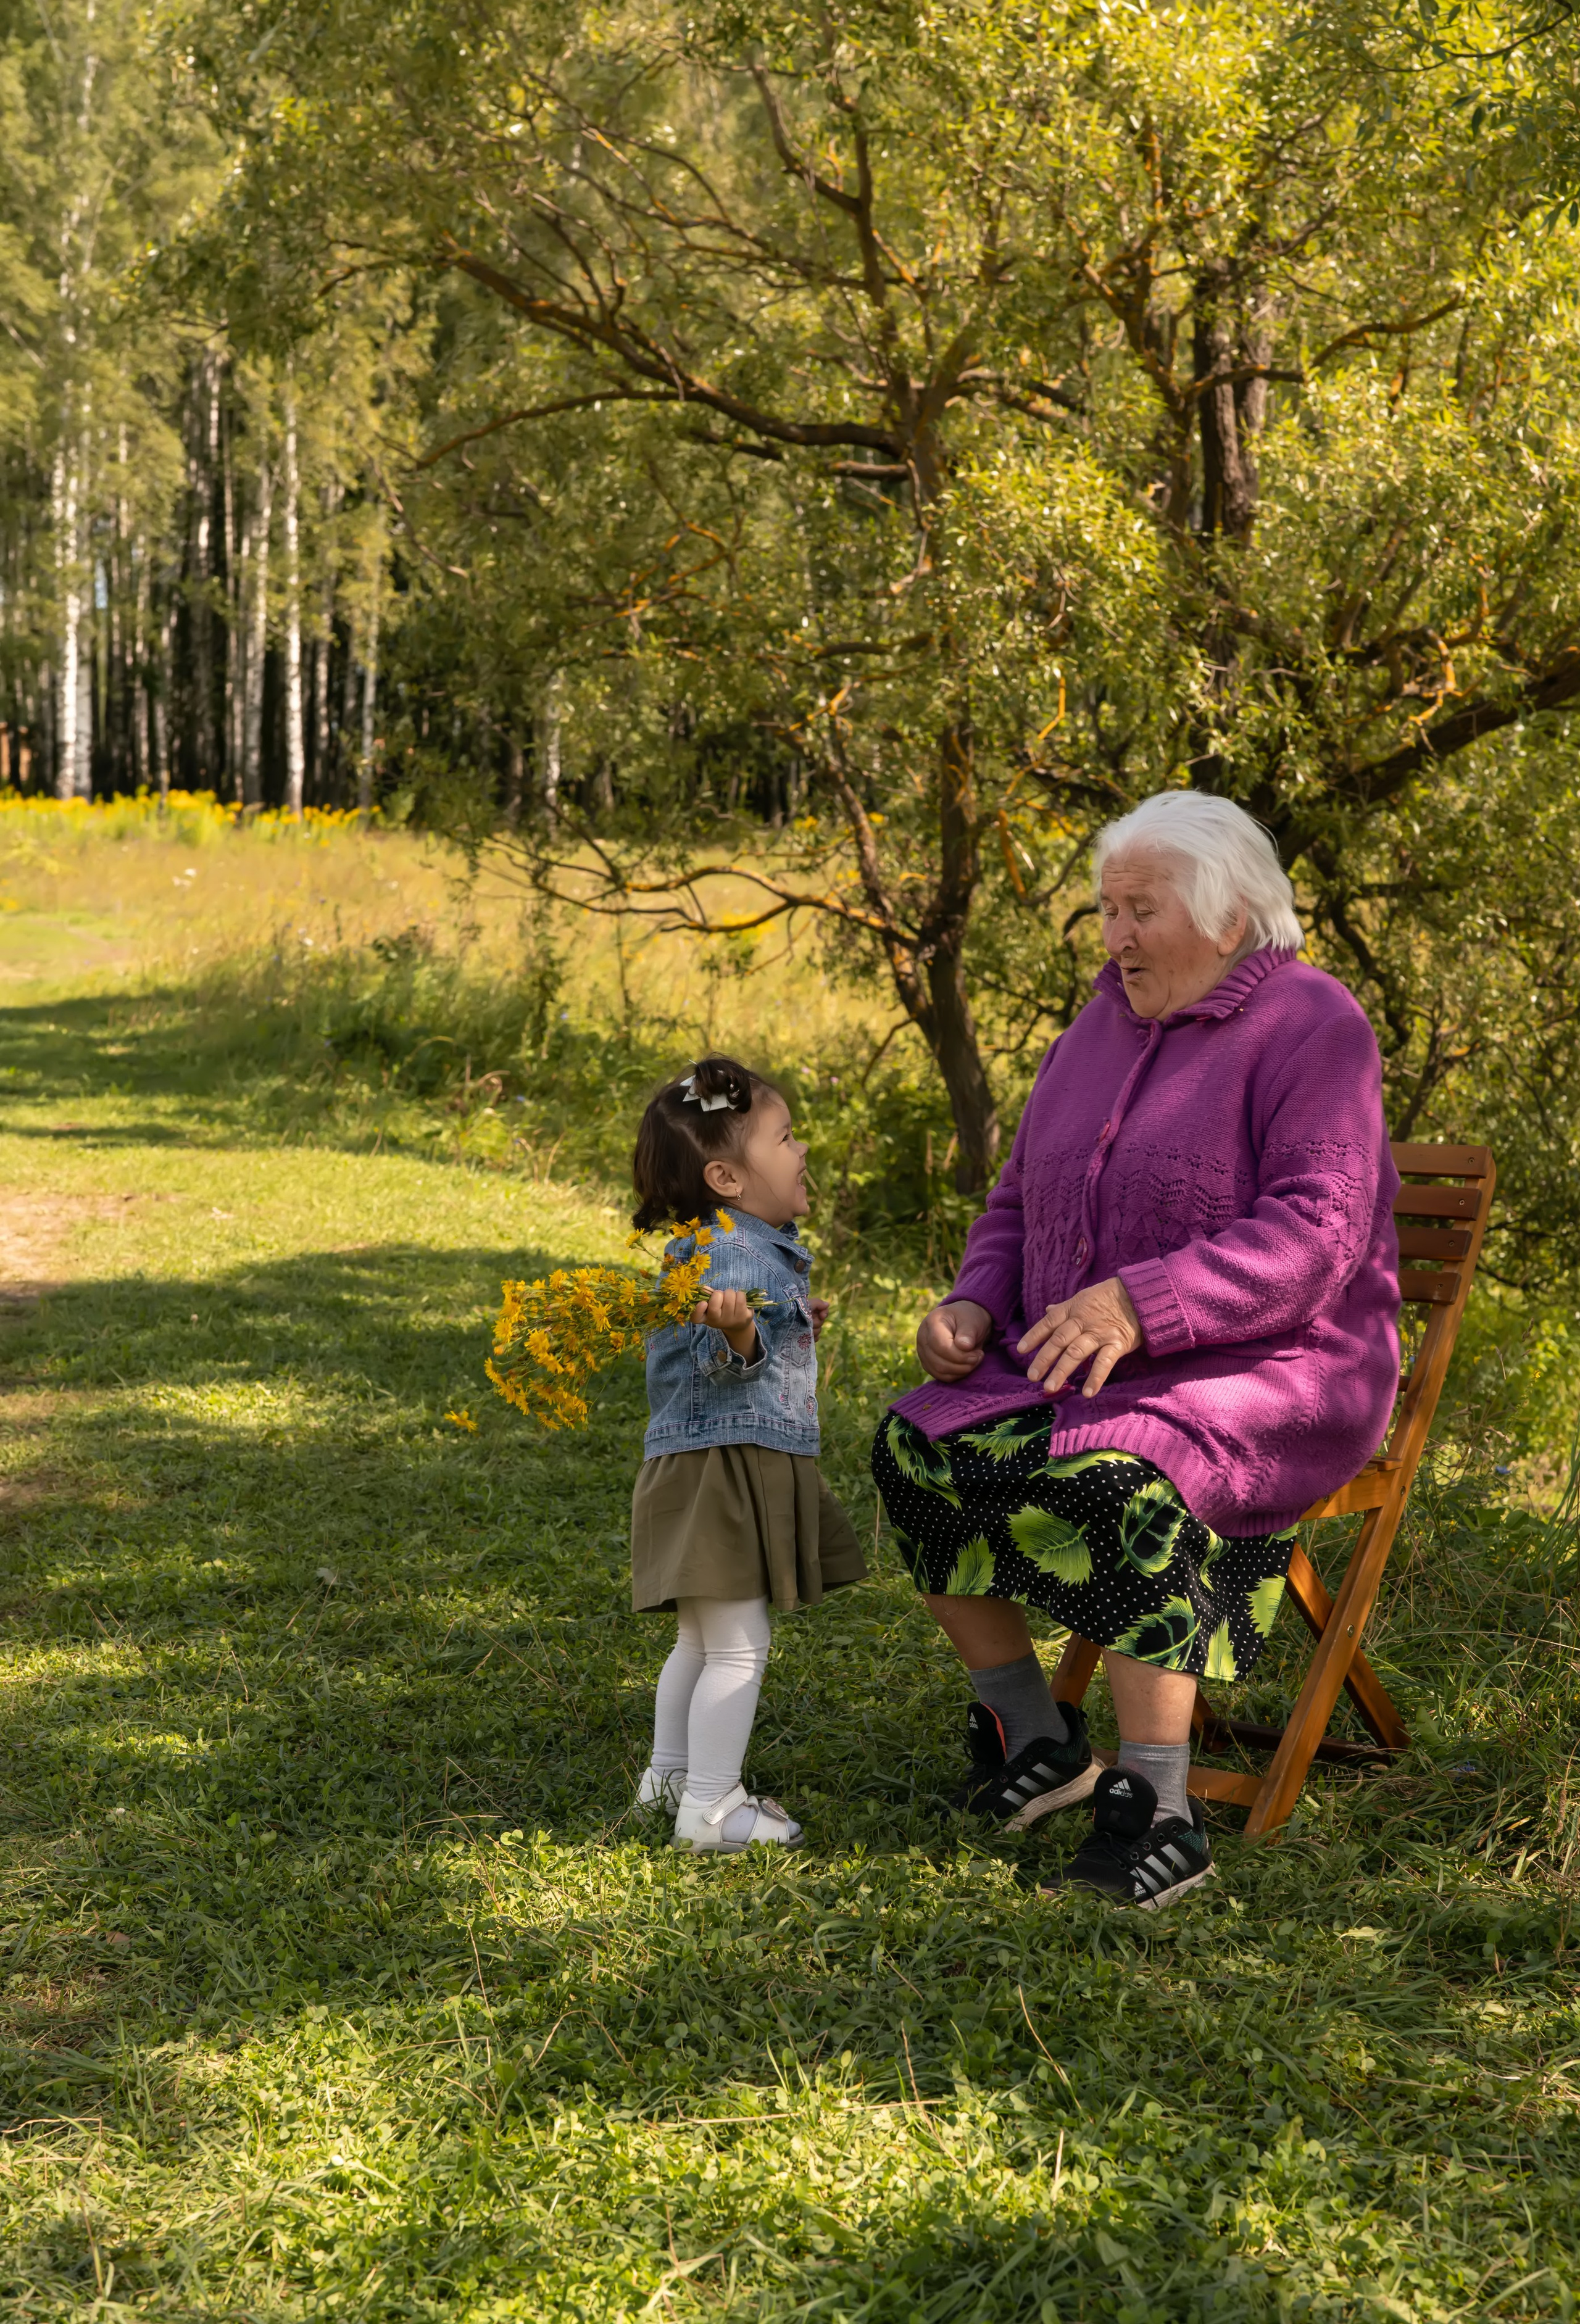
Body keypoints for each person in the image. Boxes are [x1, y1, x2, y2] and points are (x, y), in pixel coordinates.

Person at [871, 791, 1400, 1908]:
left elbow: (1317, 1235)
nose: (1114, 936)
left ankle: (1160, 1808)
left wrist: (1139, 1305)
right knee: (915, 1447)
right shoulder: (1095, 1029)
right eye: (1108, 910)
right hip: (1098, 1361)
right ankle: (1035, 1738)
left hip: (1278, 1367)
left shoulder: (1316, 1025)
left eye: (1140, 911)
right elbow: (1020, 1201)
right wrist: (972, 1305)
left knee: (1126, 1482)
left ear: (1228, 917)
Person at [631, 1054, 867, 1851]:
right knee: (739, 1646)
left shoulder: (733, 1245)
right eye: (785, 1137)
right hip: (725, 1465)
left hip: (702, 1464)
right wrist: (738, 1332)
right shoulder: (728, 1253)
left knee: (700, 1641)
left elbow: (744, 1331)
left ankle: (668, 1779)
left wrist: (784, 1321)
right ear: (728, 1177)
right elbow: (716, 1359)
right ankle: (711, 1808)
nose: (802, 1150)